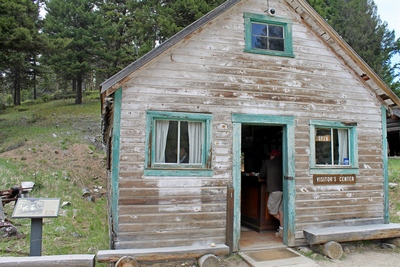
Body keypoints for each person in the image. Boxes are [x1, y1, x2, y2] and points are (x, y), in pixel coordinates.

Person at [259, 149, 283, 237]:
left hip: (275, 190)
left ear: (272, 156)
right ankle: (282, 229)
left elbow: (261, 174)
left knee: (272, 210)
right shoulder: (284, 162)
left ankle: (285, 226)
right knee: (281, 210)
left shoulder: (268, 163)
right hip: (285, 189)